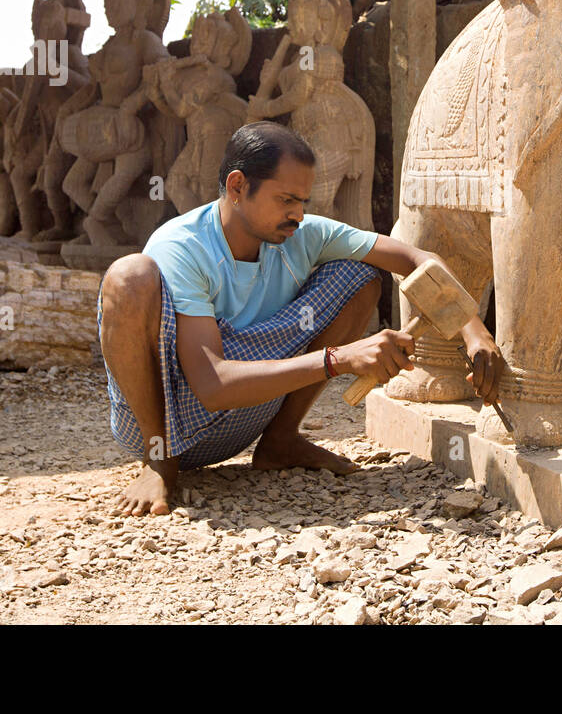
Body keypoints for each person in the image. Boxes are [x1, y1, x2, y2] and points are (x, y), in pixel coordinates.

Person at [97, 120, 504, 515]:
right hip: (173, 420)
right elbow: (213, 385)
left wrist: (474, 330)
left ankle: (280, 441)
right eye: (286, 199)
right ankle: (158, 464)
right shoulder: (183, 246)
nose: (297, 214)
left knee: (359, 277)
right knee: (129, 277)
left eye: (303, 202)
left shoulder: (303, 234)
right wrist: (337, 359)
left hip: (246, 413)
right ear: (238, 187)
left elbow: (414, 257)